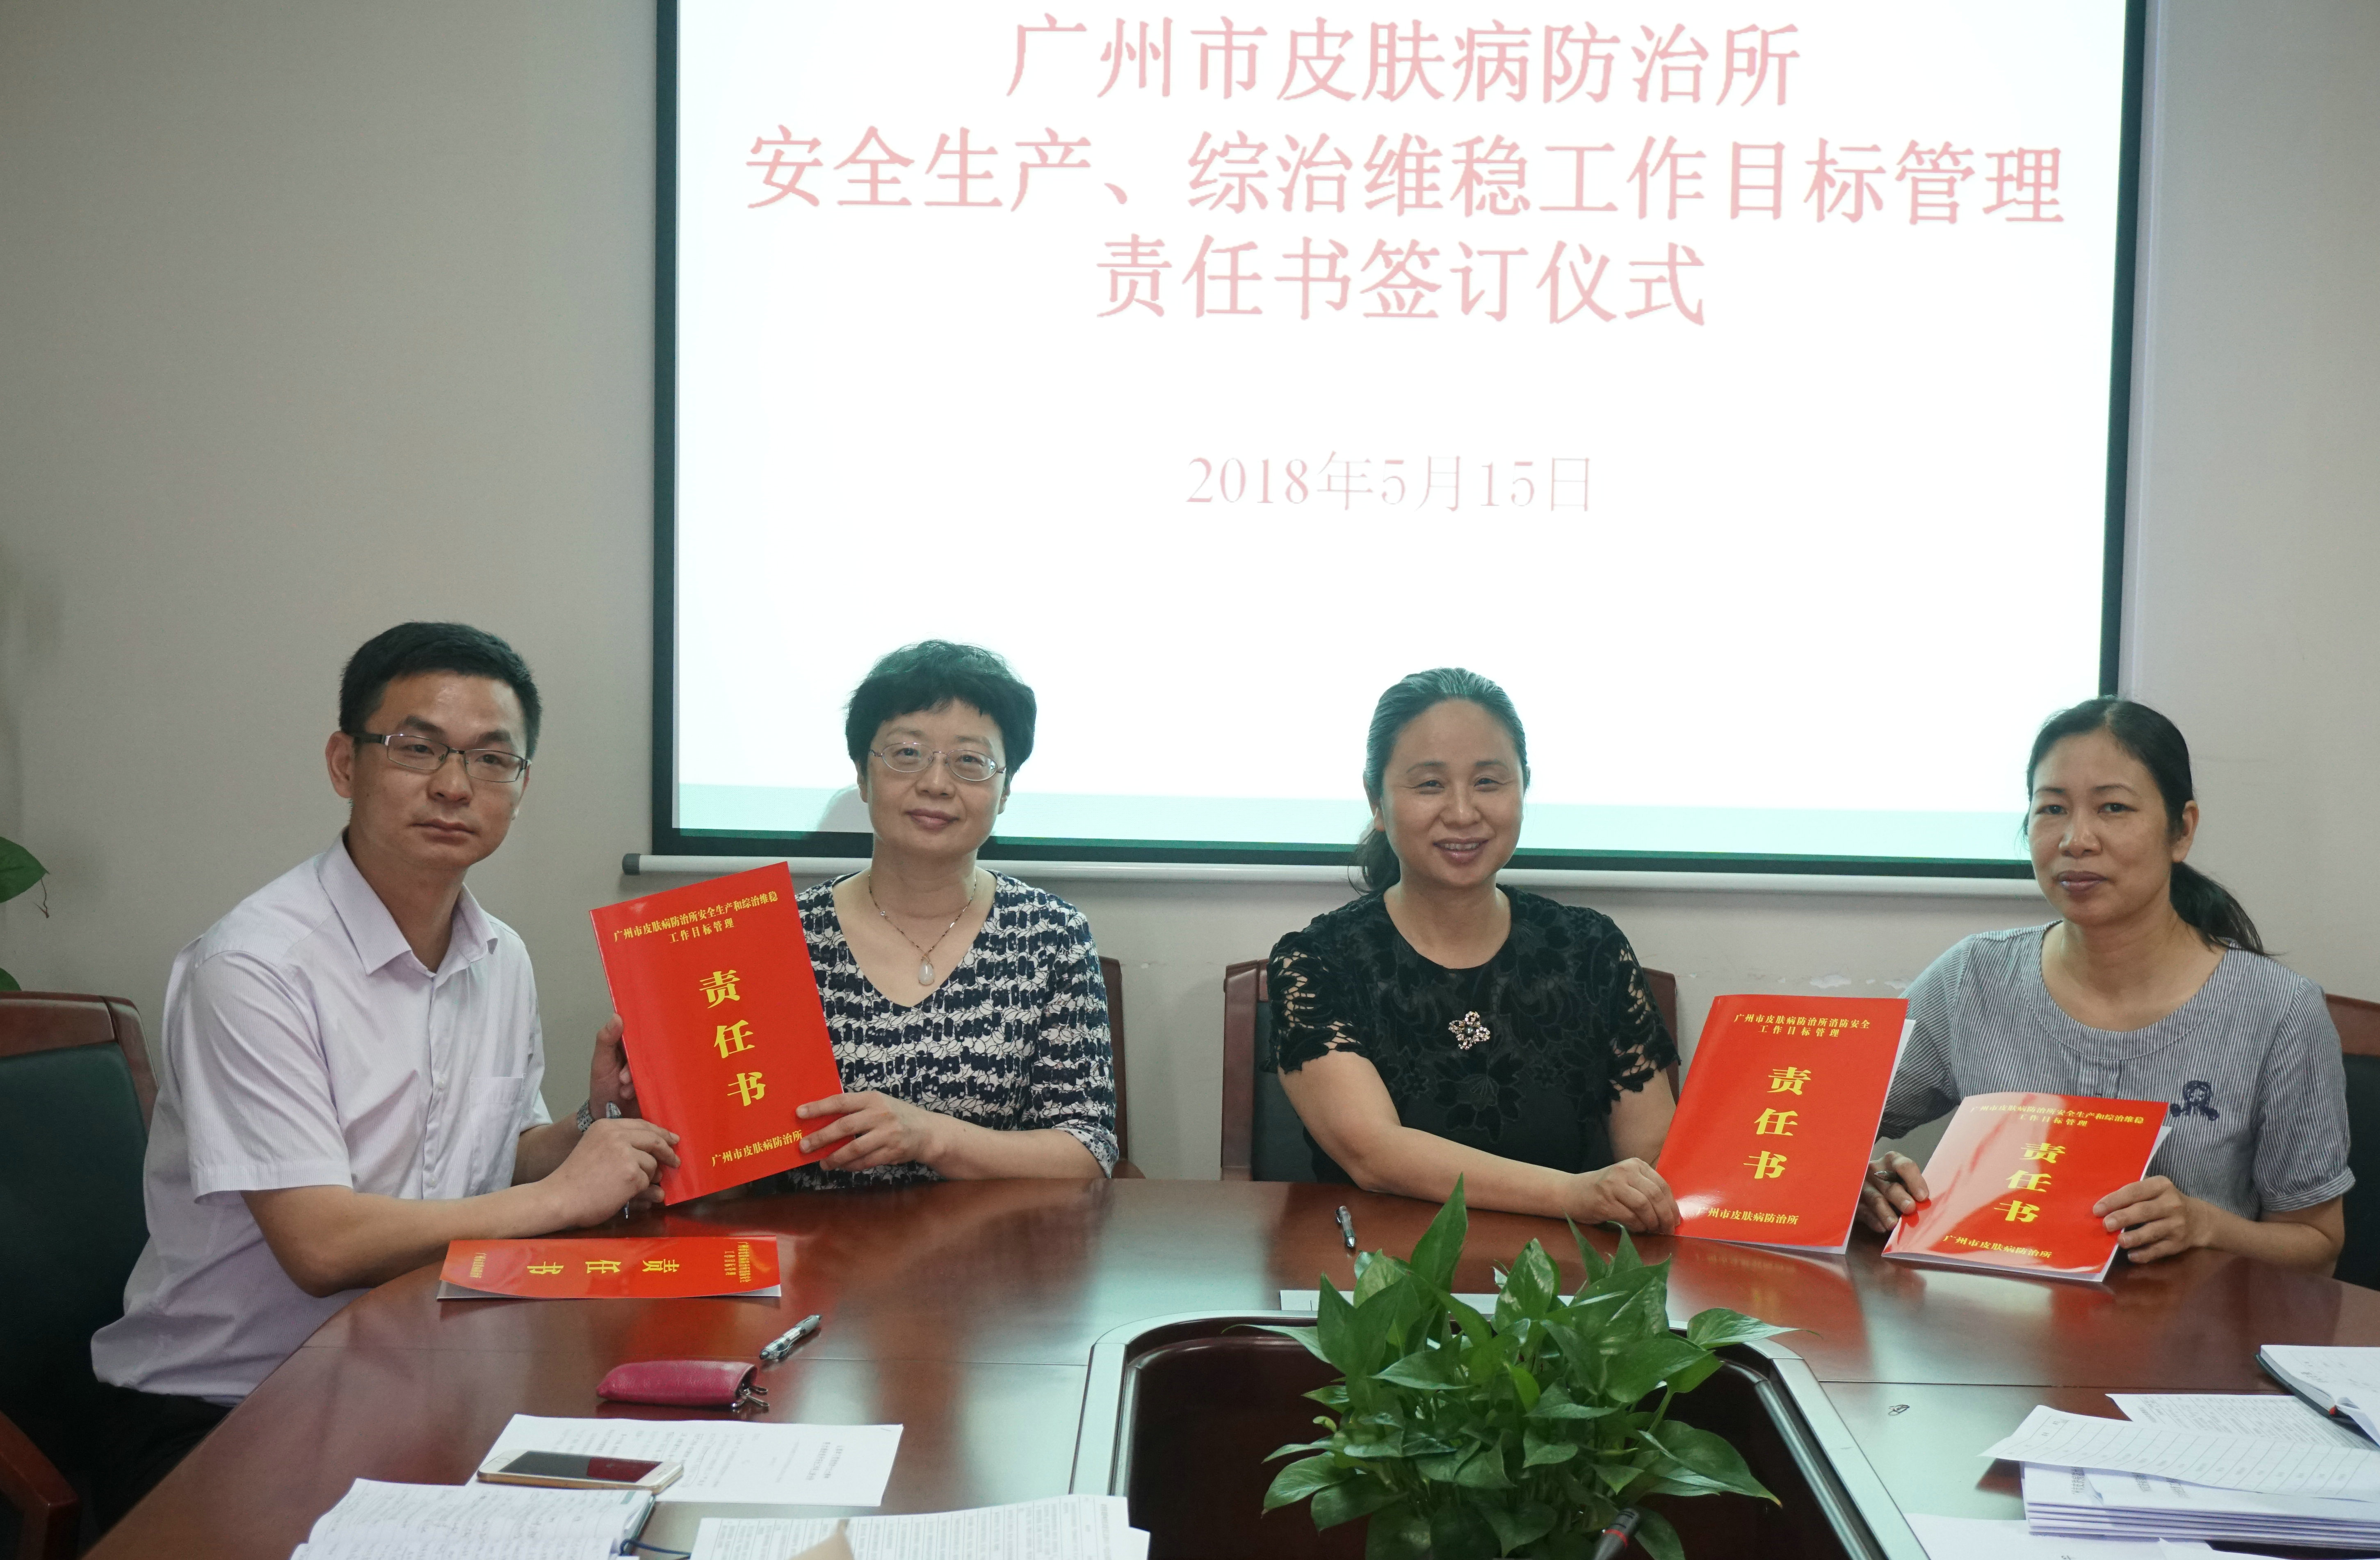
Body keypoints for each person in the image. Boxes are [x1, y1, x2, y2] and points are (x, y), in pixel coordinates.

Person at [87, 623, 678, 1522]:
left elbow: (494, 1158)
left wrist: (588, 1131)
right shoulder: (254, 967)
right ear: (344, 763)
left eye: (492, 760)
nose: (454, 786)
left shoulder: (500, 956)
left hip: (417, 1378)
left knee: (645, 1507)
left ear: (520, 788)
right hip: (226, 1411)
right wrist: (566, 1197)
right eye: (417, 748)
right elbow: (322, 1247)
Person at [1860, 697, 2350, 1272]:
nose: (2077, 840)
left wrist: (2205, 1226)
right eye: (2052, 809)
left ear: (2181, 831)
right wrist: (1862, 1183)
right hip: (1995, 1314)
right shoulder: (1973, 979)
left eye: (2113, 808)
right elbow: (1812, 1131)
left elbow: (2317, 1246)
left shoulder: (2279, 1011)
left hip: (2187, 1324)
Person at [1267, 669, 1681, 1230]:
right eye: (1430, 785)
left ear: (1523, 788)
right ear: (1377, 802)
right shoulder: (1316, 963)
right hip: (1383, 1274)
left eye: (1488, 781)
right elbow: (1375, 1155)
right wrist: (1575, 1195)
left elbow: (1654, 1158)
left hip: (1567, 1279)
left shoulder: (1593, 950)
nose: (1463, 813)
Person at [742, 641, 1117, 1188]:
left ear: (1005, 790)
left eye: (969, 761)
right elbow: (731, 1153)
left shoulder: (1052, 937)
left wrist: (929, 1137)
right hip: (812, 1241)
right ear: (863, 776)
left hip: (997, 1242)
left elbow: (1087, 1151)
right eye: (907, 753)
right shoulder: (777, 936)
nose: (936, 784)